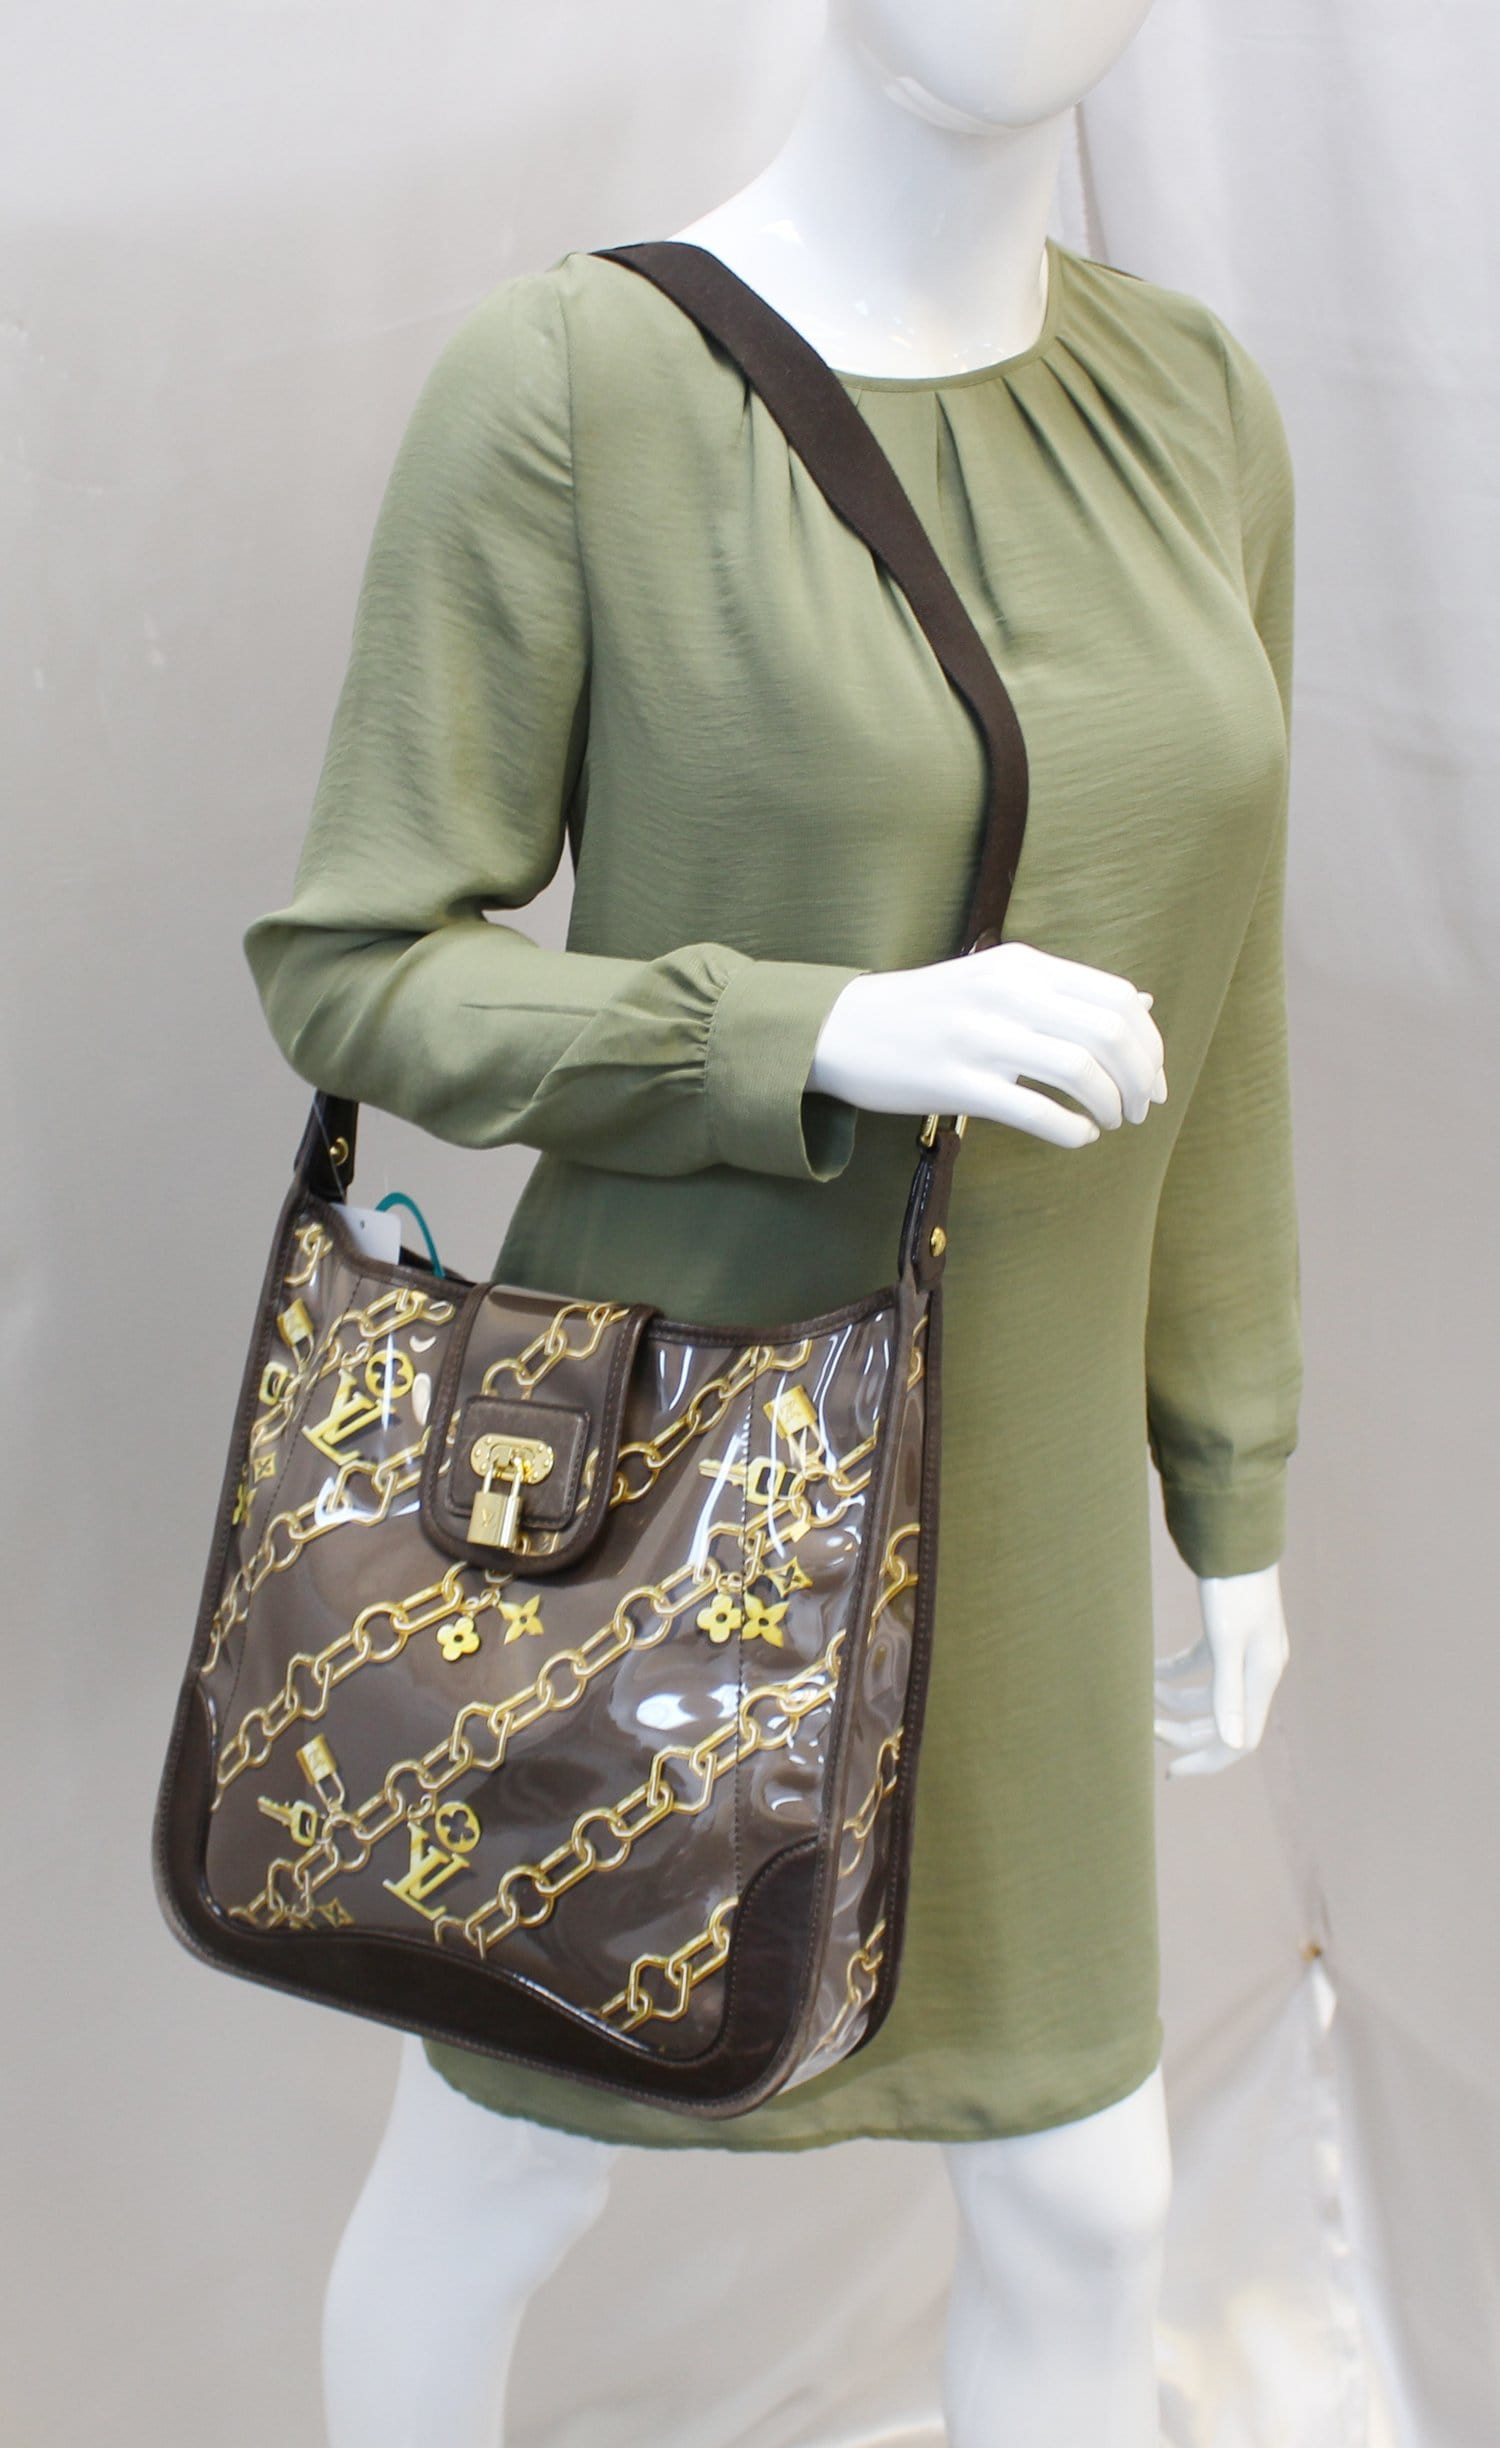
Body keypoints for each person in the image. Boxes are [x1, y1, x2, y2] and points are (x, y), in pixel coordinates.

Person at [244, 3, 1301, 2438]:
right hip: (676, 1474)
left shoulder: (1199, 406)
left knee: (1086, 2200)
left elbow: (1228, 998)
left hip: (1029, 1495)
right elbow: (355, 968)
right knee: (505, 2173)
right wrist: (813, 1031)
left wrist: (1230, 1478)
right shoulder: (579, 384)